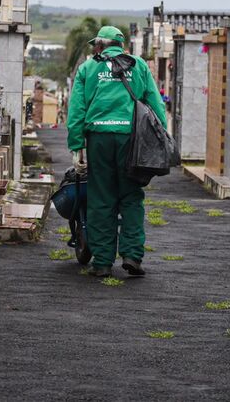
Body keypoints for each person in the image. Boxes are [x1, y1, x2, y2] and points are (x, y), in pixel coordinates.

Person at [67, 25, 168, 278]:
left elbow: (77, 109)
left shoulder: (89, 68)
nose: (94, 49)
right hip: (131, 139)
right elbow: (155, 104)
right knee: (131, 196)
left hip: (99, 138)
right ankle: (132, 256)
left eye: (95, 45)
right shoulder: (139, 65)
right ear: (121, 45)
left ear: (101, 45)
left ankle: (102, 262)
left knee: (101, 198)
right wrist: (162, 135)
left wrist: (77, 145)